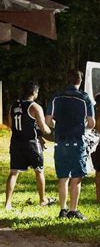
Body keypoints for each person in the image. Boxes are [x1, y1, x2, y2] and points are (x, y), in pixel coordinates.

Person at [45, 70, 95, 220]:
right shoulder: (84, 98)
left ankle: (62, 209)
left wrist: (58, 126)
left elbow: (48, 121)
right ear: (80, 81)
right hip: (76, 141)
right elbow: (91, 123)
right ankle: (73, 210)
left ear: (67, 80)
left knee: (63, 177)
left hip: (60, 141)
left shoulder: (56, 97)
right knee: (76, 177)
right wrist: (81, 126)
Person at [5, 81, 55, 210]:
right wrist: (53, 131)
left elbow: (11, 125)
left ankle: (8, 204)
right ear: (34, 92)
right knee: (39, 171)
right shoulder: (35, 107)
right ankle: (43, 200)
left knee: (14, 173)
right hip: (31, 143)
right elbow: (44, 129)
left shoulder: (14, 105)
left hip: (16, 142)